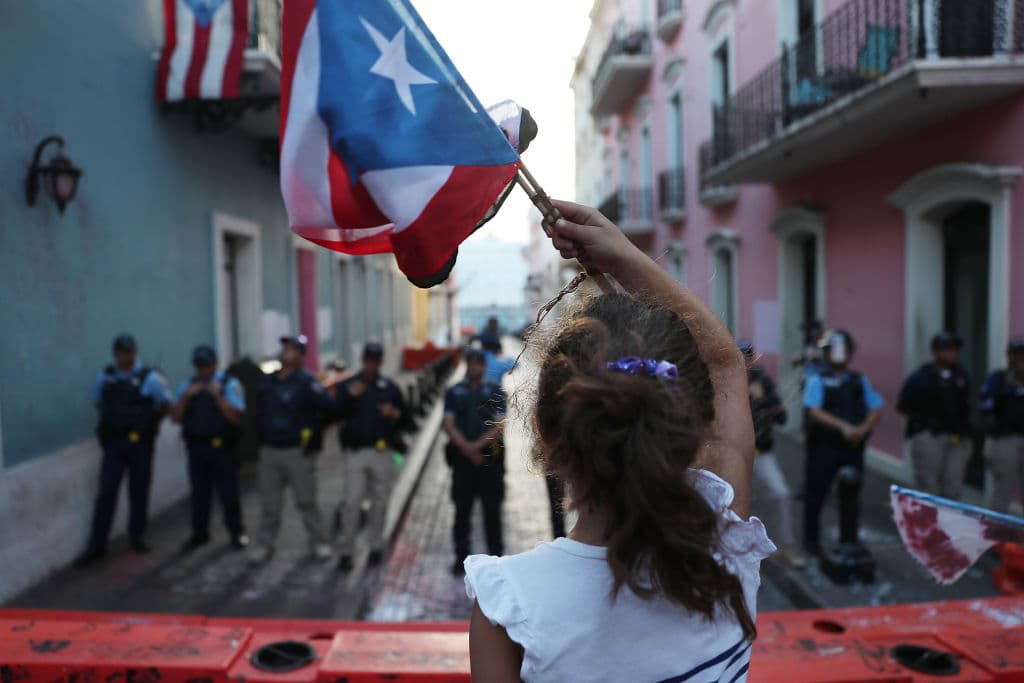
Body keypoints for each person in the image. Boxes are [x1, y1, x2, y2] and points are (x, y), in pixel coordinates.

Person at [464, 200, 773, 682]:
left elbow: (721, 364)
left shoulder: (509, 608)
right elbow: (725, 362)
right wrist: (624, 255)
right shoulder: (727, 551)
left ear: (544, 437)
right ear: (694, 430)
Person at [75, 334, 172, 566]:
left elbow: (166, 403)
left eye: (129, 352)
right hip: (115, 443)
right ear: (115, 354)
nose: (125, 357)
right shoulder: (107, 376)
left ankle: (137, 536)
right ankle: (97, 545)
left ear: (135, 352)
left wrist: (149, 424)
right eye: (121, 353)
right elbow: (99, 402)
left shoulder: (149, 378)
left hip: (140, 443)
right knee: (106, 492)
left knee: (139, 491)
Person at [248, 335, 333, 564]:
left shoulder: (307, 382)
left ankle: (319, 542)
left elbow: (327, 407)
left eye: (292, 349)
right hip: (269, 451)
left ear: (301, 355)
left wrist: (313, 435)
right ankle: (264, 545)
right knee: (270, 505)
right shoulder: (268, 381)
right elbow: (257, 409)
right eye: (285, 347)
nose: (286, 351)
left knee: (306, 501)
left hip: (297, 452)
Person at [802, 329, 883, 557]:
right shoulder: (817, 379)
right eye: (834, 350)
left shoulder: (859, 380)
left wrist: (862, 429)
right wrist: (843, 427)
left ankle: (849, 540)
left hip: (852, 448)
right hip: (823, 447)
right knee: (816, 495)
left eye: (843, 350)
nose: (838, 355)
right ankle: (811, 543)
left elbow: (875, 408)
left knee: (851, 495)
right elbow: (813, 410)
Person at [334, 342, 407, 571]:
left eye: (375, 360)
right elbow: (333, 413)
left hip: (382, 452)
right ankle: (346, 550)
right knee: (351, 502)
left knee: (380, 501)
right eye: (368, 360)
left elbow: (406, 417)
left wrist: (393, 413)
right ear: (363, 360)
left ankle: (375, 545)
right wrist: (349, 396)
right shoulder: (349, 386)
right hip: (355, 453)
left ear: (380, 362)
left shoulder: (389, 388)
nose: (371, 364)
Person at [171, 345, 248, 552]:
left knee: (228, 493)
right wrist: (186, 396)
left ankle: (237, 532)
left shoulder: (229, 384)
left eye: (206, 365)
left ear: (215, 364)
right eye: (199, 366)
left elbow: (235, 418)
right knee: (199, 495)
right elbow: (175, 417)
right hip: (197, 448)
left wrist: (218, 396)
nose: (203, 370)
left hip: (222, 448)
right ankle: (199, 533)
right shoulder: (188, 385)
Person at [741, 341, 804, 569]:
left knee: (781, 495)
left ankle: (785, 549)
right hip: (735, 452)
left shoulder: (762, 382)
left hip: (761, 452)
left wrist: (761, 400)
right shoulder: (724, 382)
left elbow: (781, 417)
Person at [444, 347, 507, 575]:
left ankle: (496, 559)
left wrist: (476, 446)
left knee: (492, 510)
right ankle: (460, 557)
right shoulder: (454, 392)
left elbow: (499, 426)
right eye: (470, 363)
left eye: (478, 363)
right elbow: (448, 424)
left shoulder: (495, 391)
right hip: (463, 461)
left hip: (489, 460)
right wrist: (467, 449)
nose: (474, 368)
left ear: (483, 366)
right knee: (462, 510)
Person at [897, 332, 972, 500]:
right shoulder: (921, 376)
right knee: (928, 486)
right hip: (930, 435)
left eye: (954, 349)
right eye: (946, 349)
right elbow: (903, 405)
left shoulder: (962, 375)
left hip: (956, 437)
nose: (951, 353)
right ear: (935, 351)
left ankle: (948, 517)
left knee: (953, 487)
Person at [981, 338, 1024, 513]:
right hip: (1004, 441)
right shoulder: (998, 379)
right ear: (1009, 357)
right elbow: (986, 409)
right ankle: (996, 528)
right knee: (1002, 490)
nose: (1021, 359)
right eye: (1017, 355)